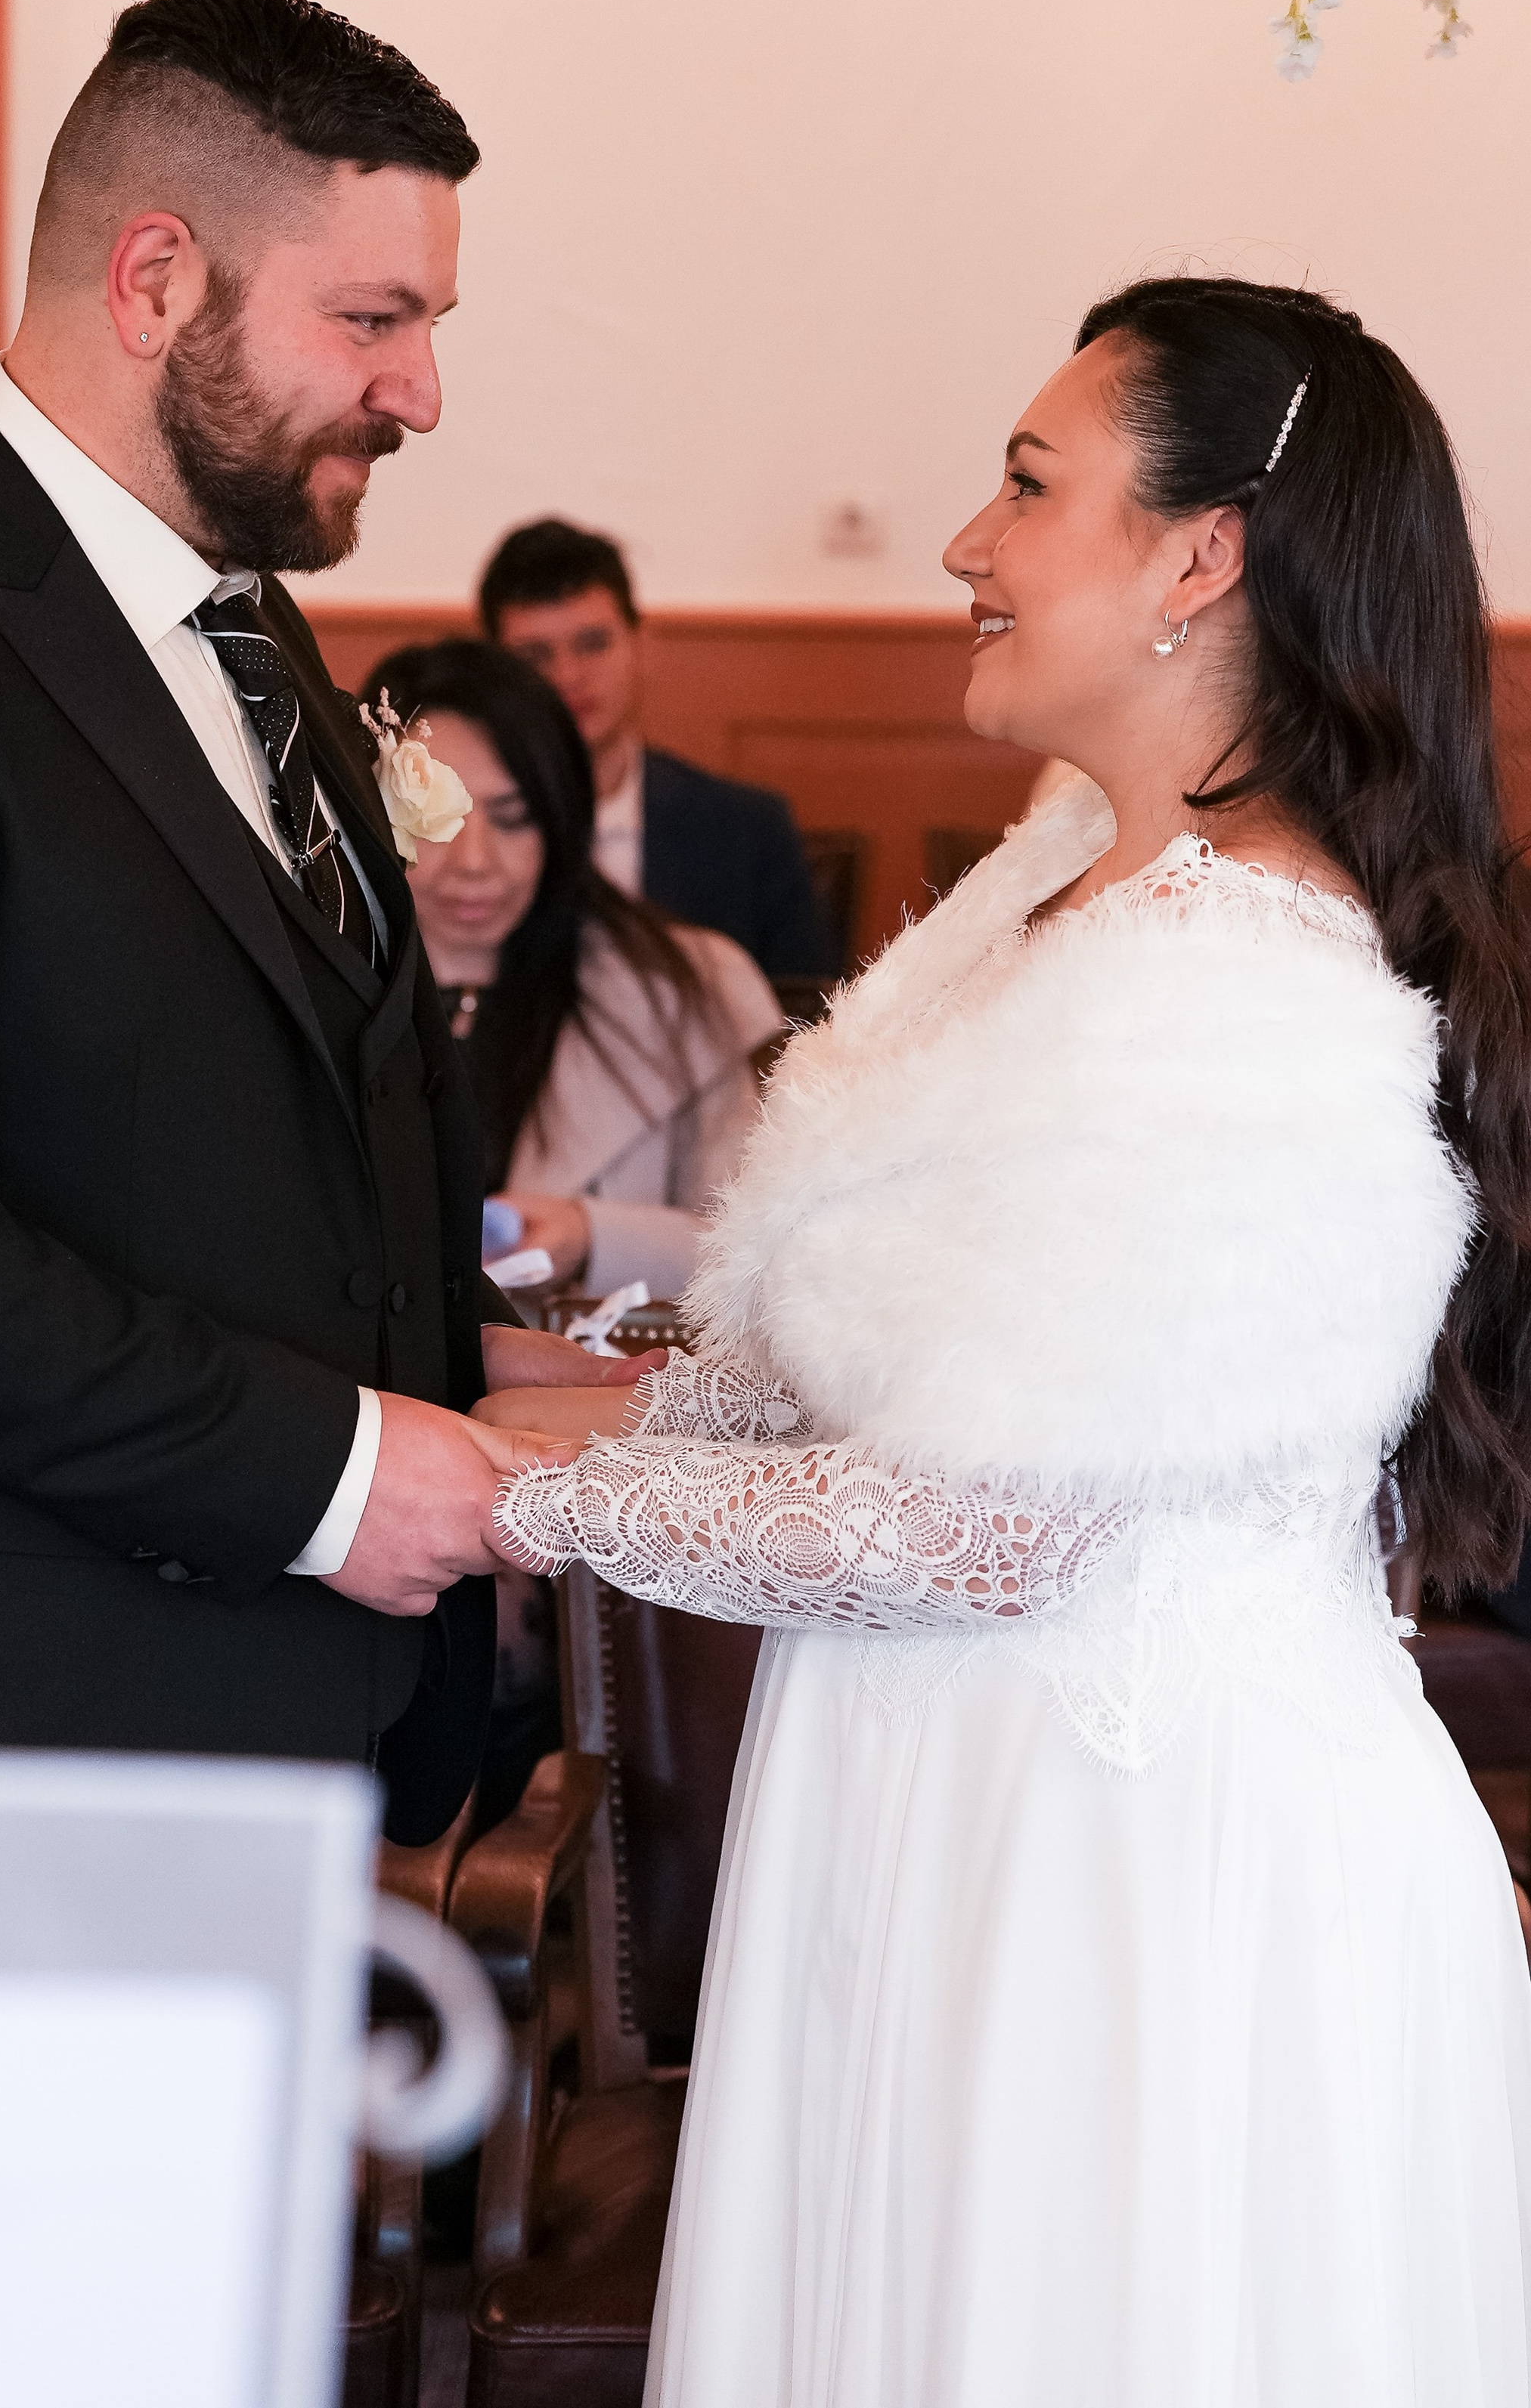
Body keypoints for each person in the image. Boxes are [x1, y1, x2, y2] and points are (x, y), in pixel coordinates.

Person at [482, 277, 1531, 2402]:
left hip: (1137, 1876)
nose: (969, 539)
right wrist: (478, 1390)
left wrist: (534, 1502)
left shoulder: (1247, 981)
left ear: (1199, 556)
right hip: (929, 1804)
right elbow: (816, 1321)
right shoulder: (1047, 886)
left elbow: (985, 1524)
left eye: (1029, 485)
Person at [0, 0, 637, 1846]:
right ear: (154, 278)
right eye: (371, 319)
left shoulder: (246, 628)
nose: (419, 391)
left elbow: (212, 1134)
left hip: (273, 1718)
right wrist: (335, 1472)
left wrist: (463, 1343)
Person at [362, 636, 785, 1307]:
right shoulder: (317, 985)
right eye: (435, 820)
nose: (475, 862)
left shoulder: (680, 986)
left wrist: (596, 1236)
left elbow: (767, 1254)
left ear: (562, 820)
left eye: (513, 818)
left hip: (593, 1393)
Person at [478, 518, 837, 982]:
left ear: (640, 644)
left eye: (592, 644)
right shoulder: (458, 835)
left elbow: (804, 1029)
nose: (567, 677)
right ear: (492, 669)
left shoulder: (749, 830)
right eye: (535, 656)